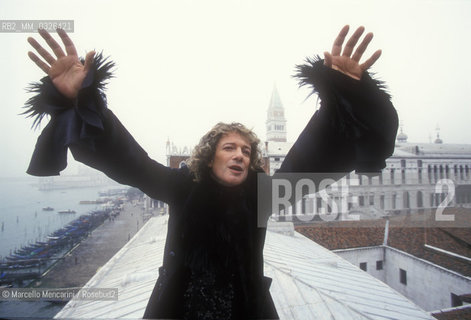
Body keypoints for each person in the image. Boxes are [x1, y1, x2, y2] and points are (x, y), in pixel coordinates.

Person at [24, 25, 398, 319]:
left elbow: (314, 159)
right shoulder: (179, 188)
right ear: (209, 156)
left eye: (247, 151)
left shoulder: (262, 198)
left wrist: (343, 96)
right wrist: (80, 99)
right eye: (229, 147)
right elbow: (127, 160)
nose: (240, 155)